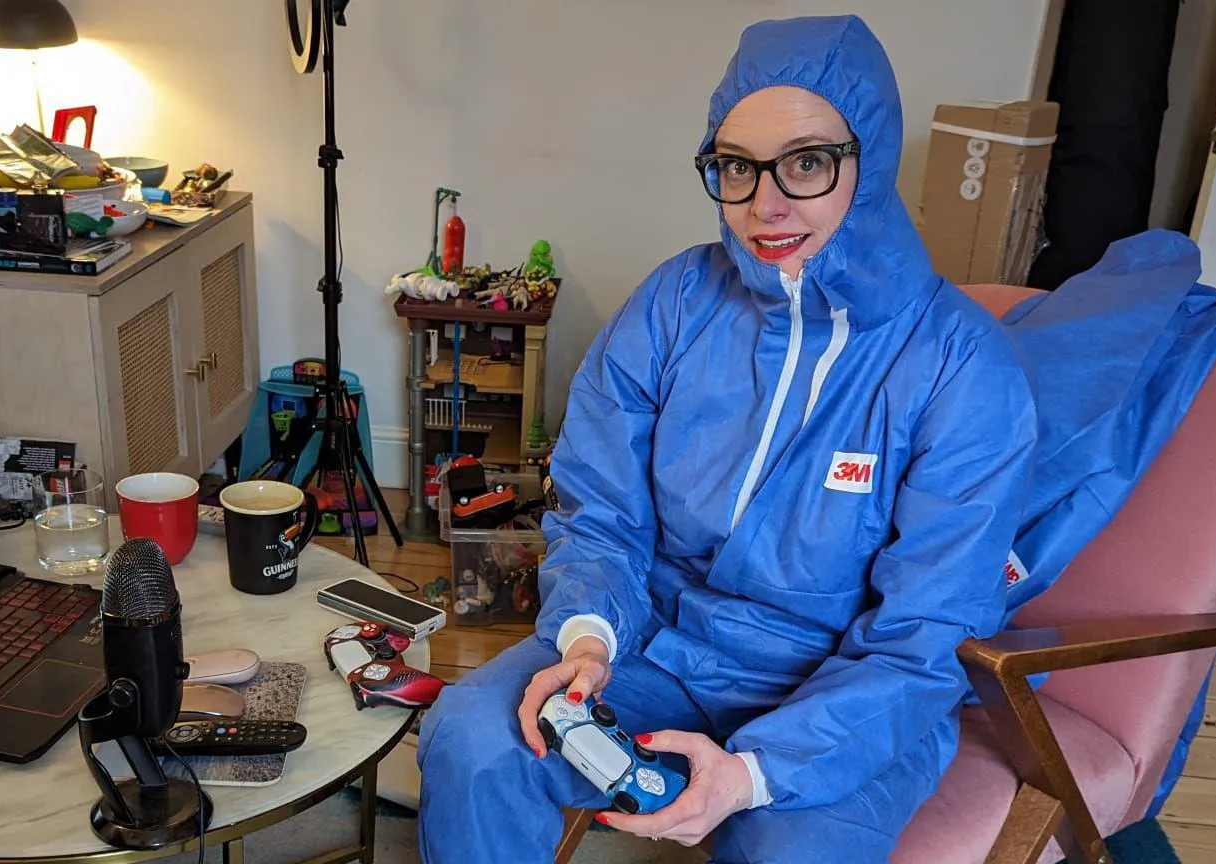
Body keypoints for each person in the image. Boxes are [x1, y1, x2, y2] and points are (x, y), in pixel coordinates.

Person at [415, 13, 1038, 864]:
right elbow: (600, 513)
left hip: (841, 694)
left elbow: (922, 635)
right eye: (736, 167)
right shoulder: (676, 303)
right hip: (649, 642)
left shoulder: (963, 369)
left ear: (874, 161)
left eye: (808, 163)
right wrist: (589, 638)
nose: (765, 203)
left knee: (785, 850)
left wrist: (750, 776)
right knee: (474, 741)